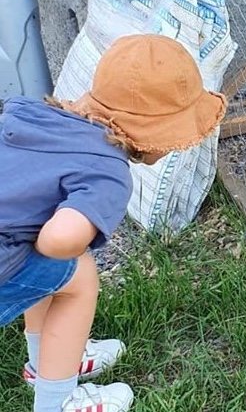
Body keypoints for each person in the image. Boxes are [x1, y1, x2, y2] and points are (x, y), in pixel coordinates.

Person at [0, 34, 227, 412]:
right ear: (156, 134)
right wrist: (48, 246)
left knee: (60, 273)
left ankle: (49, 362)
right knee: (78, 277)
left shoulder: (31, 113)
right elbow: (59, 239)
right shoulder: (107, 171)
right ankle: (57, 401)